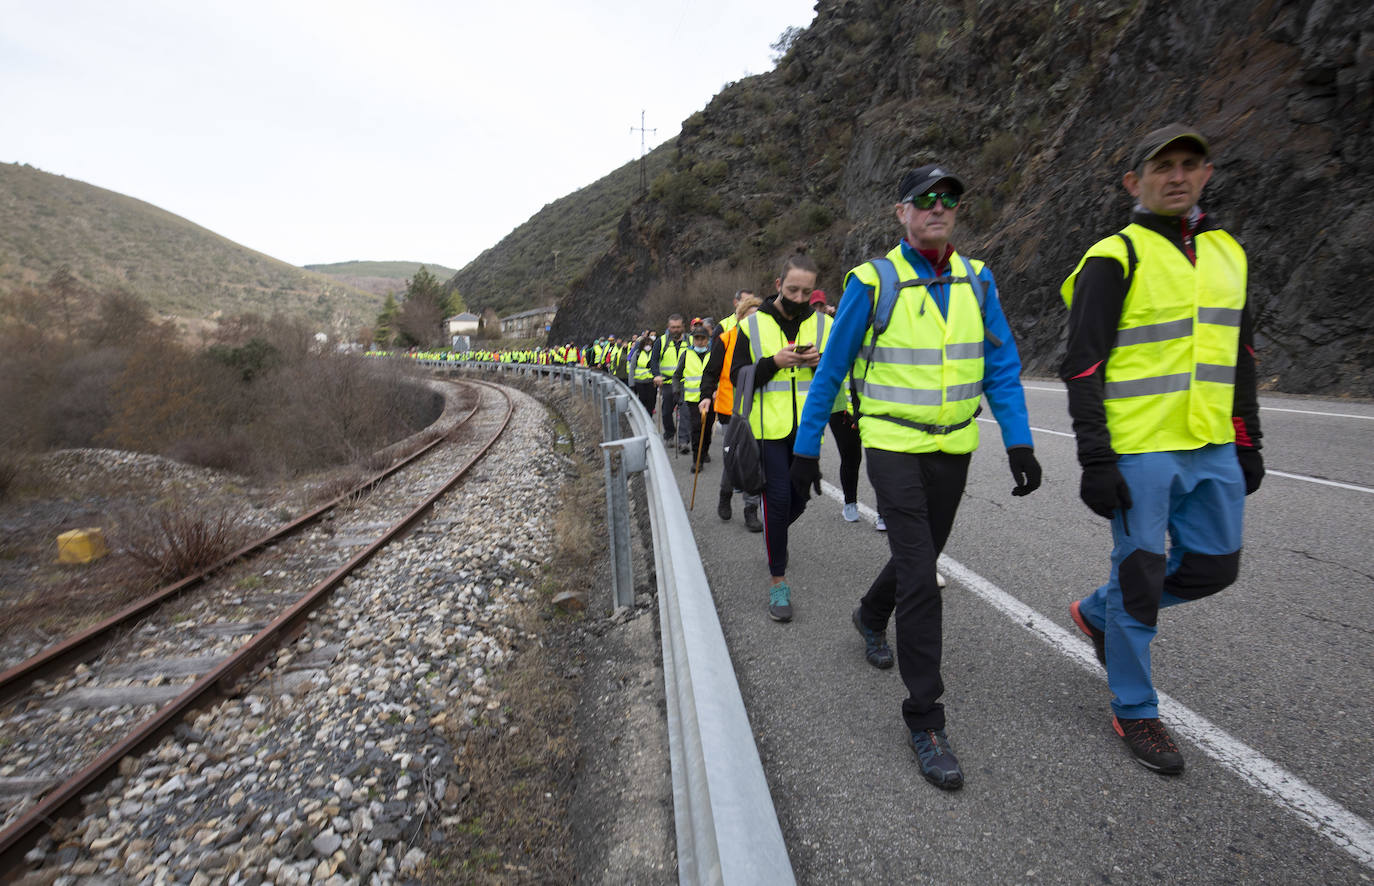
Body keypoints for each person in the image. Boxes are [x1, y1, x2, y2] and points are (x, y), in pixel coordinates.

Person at [789, 164, 1043, 791]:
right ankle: (925, 718)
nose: (938, 207)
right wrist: (805, 447)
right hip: (891, 443)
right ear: (901, 212)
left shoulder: (978, 279)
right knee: (923, 576)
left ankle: (871, 613)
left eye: (948, 198)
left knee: (920, 555)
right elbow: (832, 370)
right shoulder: (872, 282)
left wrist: (1019, 440)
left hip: (954, 444)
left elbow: (1001, 366)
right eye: (924, 199)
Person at [1059, 123, 1263, 775]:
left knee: (1214, 568)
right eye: (1162, 166)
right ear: (1134, 182)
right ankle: (1135, 708)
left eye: (1189, 164)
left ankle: (1099, 612)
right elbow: (1082, 366)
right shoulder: (1113, 257)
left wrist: (1248, 439)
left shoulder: (1229, 253)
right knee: (1141, 579)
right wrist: (1097, 458)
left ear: (1206, 174)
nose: (1177, 176)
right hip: (1141, 449)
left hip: (1212, 443)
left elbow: (1241, 356)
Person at [725, 253, 825, 622]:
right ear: (778, 284)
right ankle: (778, 580)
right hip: (767, 431)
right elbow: (737, 375)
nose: (799, 298)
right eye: (793, 289)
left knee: (799, 500)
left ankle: (774, 535)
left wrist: (819, 362)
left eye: (807, 292)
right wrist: (773, 363)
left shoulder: (824, 324)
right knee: (779, 500)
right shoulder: (751, 326)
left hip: (807, 431)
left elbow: (837, 370)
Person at [701, 292, 764, 532]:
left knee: (754, 460)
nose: (753, 322)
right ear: (739, 318)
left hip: (759, 408)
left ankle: (751, 509)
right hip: (730, 408)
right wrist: (706, 396)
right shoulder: (726, 339)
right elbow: (711, 372)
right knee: (735, 458)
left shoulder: (767, 341)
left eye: (758, 317)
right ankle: (725, 493)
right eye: (749, 317)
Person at [673, 324, 714, 470]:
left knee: (707, 429)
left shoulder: (713, 354)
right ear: (693, 340)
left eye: (703, 338)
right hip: (693, 400)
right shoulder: (686, 354)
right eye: (697, 338)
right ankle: (697, 461)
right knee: (696, 429)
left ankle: (705, 451)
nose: (700, 341)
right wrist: (676, 390)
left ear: (708, 340)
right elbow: (677, 375)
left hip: (710, 399)